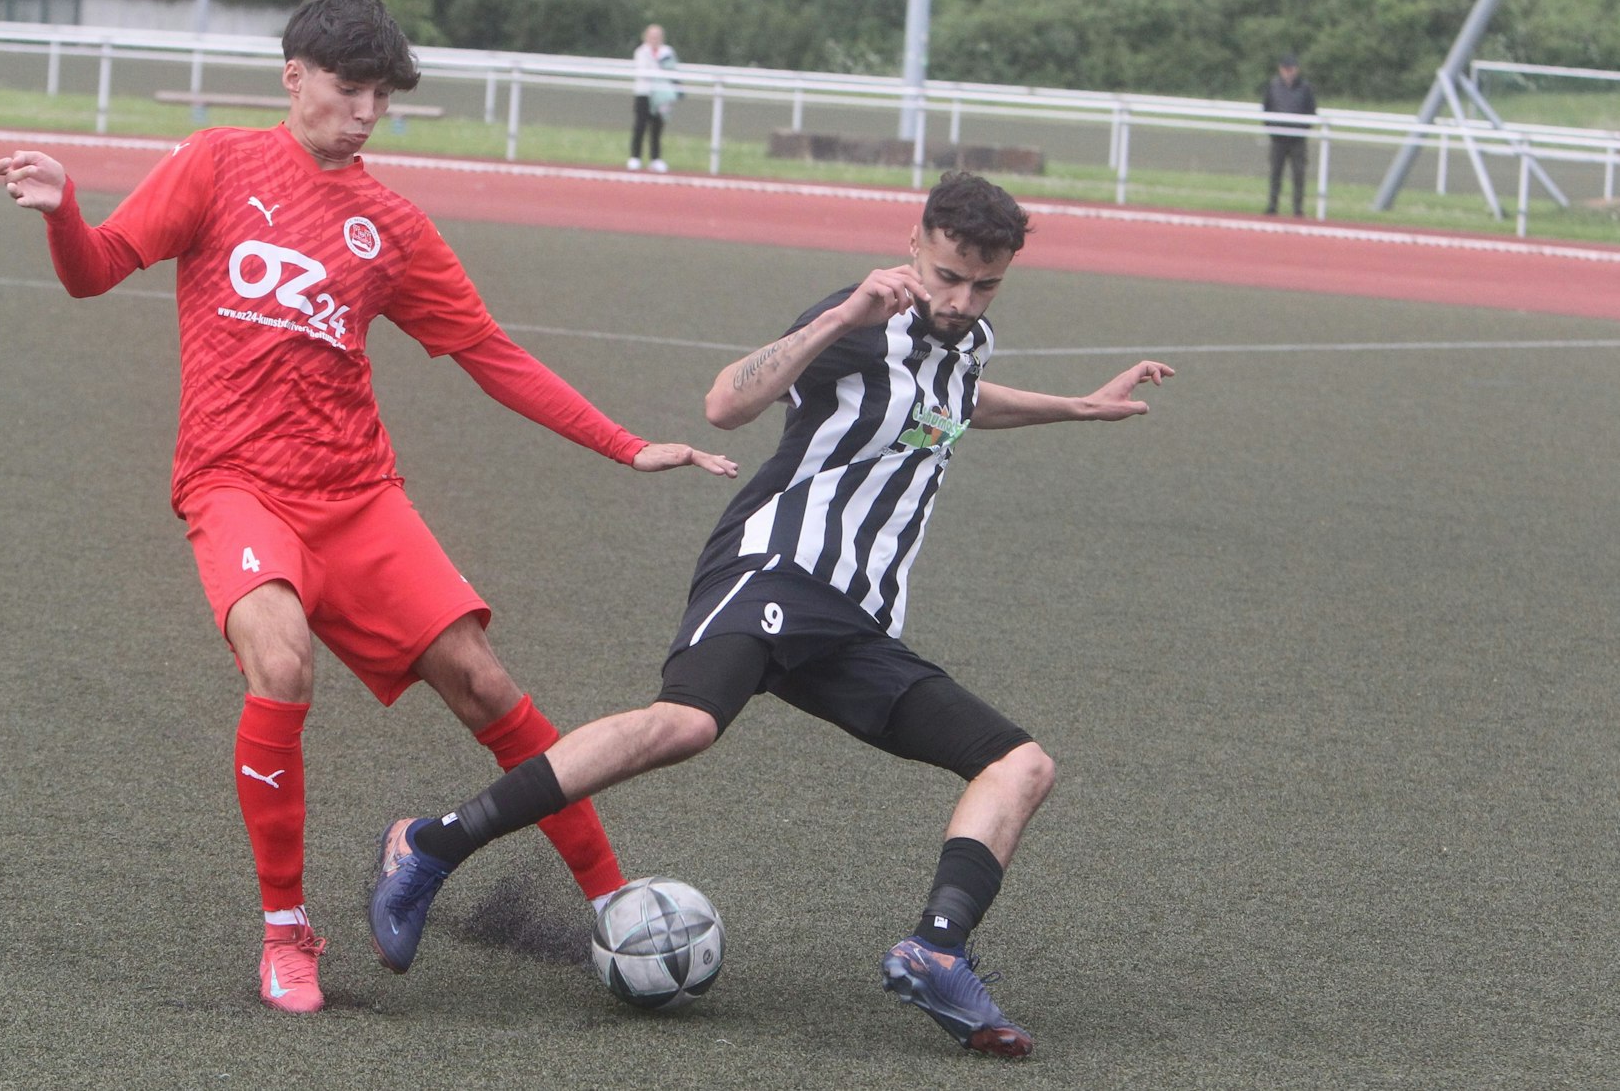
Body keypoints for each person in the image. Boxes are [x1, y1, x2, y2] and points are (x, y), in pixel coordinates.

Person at [0, 0, 736, 1017]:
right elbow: (97, 270)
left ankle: (613, 897)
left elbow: (487, 352)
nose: (368, 111)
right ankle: (287, 931)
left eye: (383, 95)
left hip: (358, 495)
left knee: (480, 680)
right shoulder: (217, 164)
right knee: (281, 656)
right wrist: (67, 209)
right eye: (350, 89)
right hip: (236, 484)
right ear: (293, 75)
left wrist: (622, 443)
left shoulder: (392, 223)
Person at [366, 171, 1173, 1059]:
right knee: (686, 724)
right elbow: (726, 401)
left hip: (856, 620)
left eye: (984, 284)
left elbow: (956, 400)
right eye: (947, 275)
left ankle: (935, 950)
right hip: (776, 568)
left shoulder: (966, 337)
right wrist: (837, 317)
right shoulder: (859, 322)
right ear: (915, 244)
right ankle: (431, 845)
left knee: (1019, 765)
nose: (960, 298)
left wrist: (1078, 406)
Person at [1262, 52, 1318, 216]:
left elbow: (1311, 110)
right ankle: (1272, 206)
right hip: (1278, 137)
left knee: (1299, 175)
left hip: (1297, 139)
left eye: (1291, 69)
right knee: (1275, 173)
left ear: (1296, 70)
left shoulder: (1305, 88)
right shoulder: (1273, 86)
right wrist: (1272, 129)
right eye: (1286, 69)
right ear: (1281, 70)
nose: (1288, 72)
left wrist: (1303, 130)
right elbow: (1266, 109)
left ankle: (1297, 208)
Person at [627, 24, 677, 173]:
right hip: (644, 93)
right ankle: (635, 157)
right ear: (646, 37)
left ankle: (656, 159)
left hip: (661, 95)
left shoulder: (668, 51)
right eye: (652, 36)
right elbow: (643, 71)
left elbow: (671, 69)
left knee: (658, 127)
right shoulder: (641, 52)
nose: (654, 39)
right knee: (640, 126)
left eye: (657, 36)